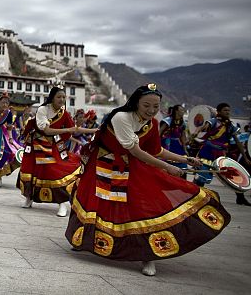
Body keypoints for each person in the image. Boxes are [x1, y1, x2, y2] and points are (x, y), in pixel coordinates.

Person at [66, 84, 231, 277]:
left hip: (130, 165)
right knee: (95, 203)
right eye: (146, 105)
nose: (151, 110)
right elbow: (136, 151)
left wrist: (185, 159)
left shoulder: (151, 124)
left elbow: (156, 150)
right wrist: (167, 167)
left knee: (142, 206)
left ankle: (148, 255)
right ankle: (84, 240)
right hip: (103, 164)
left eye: (156, 106)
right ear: (136, 103)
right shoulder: (121, 118)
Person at [18, 86, 95, 216]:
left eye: (64, 97)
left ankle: (62, 202)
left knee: (55, 170)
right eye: (59, 97)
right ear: (52, 98)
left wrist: (94, 130)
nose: (62, 99)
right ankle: (29, 197)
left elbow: (74, 129)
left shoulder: (64, 113)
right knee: (32, 171)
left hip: (52, 145)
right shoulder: (43, 110)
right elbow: (46, 130)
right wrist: (67, 130)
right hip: (36, 145)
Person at [192, 103, 248, 206]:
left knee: (232, 176)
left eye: (228, 110)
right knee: (201, 176)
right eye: (225, 110)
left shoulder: (230, 126)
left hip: (221, 154)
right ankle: (194, 197)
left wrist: (245, 156)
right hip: (207, 152)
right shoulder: (214, 121)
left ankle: (240, 198)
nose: (227, 112)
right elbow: (204, 127)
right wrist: (197, 131)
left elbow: (238, 142)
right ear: (219, 112)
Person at [159, 105, 188, 175]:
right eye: (181, 110)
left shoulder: (182, 123)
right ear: (176, 111)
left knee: (182, 162)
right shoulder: (168, 120)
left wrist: (185, 148)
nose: (183, 112)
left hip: (177, 144)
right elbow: (159, 133)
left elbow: (183, 136)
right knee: (166, 160)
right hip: (167, 143)